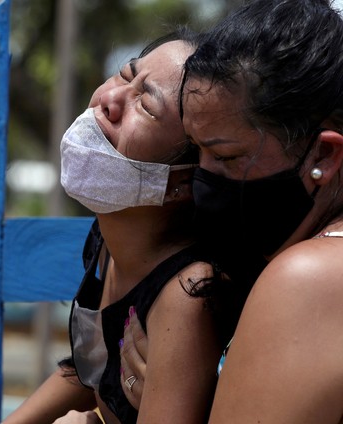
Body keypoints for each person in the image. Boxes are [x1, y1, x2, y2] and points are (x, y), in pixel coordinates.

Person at [4, 29, 252, 424]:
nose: (110, 99)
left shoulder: (187, 294)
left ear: (184, 179)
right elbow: (89, 368)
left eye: (147, 105)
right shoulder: (108, 239)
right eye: (124, 75)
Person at [120, 1, 343, 422]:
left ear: (325, 154)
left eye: (226, 156)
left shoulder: (306, 277)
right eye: (196, 150)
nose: (203, 180)